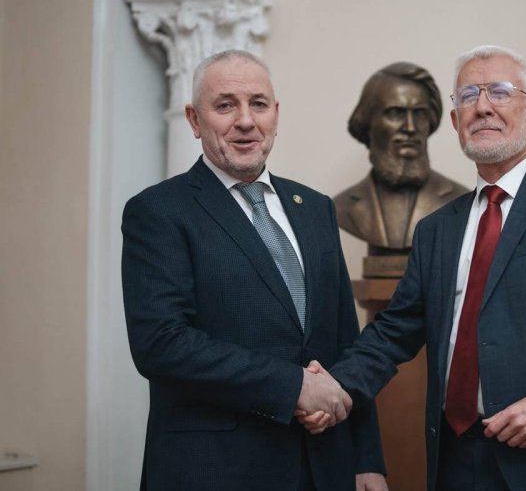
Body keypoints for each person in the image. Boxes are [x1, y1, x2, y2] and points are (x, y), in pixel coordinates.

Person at [301, 45, 526, 490]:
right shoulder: (436, 229)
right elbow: (394, 332)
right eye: (469, 96)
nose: (483, 107)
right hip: (455, 460)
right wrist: (333, 385)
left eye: (500, 91)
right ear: (456, 122)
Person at [121, 49, 387, 491]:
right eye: (226, 105)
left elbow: (345, 338)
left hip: (324, 468)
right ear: (194, 119)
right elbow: (161, 343)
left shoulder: (315, 208)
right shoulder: (159, 211)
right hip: (216, 471)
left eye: (258, 104)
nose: (246, 120)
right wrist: (294, 386)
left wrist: (366, 459)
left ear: (275, 114)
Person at [334, 62, 468, 253]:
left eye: (419, 114)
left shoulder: (460, 201)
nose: (410, 127)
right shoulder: (341, 206)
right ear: (367, 120)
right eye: (395, 113)